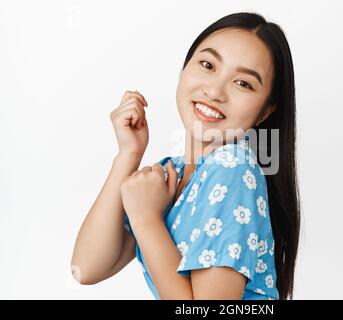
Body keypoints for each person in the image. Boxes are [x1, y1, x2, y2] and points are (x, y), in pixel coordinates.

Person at [71, 12, 300, 300]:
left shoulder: (233, 169)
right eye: (207, 65)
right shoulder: (173, 174)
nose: (215, 91)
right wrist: (128, 154)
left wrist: (147, 219)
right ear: (185, 68)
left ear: (265, 111)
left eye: (243, 83)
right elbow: (86, 268)